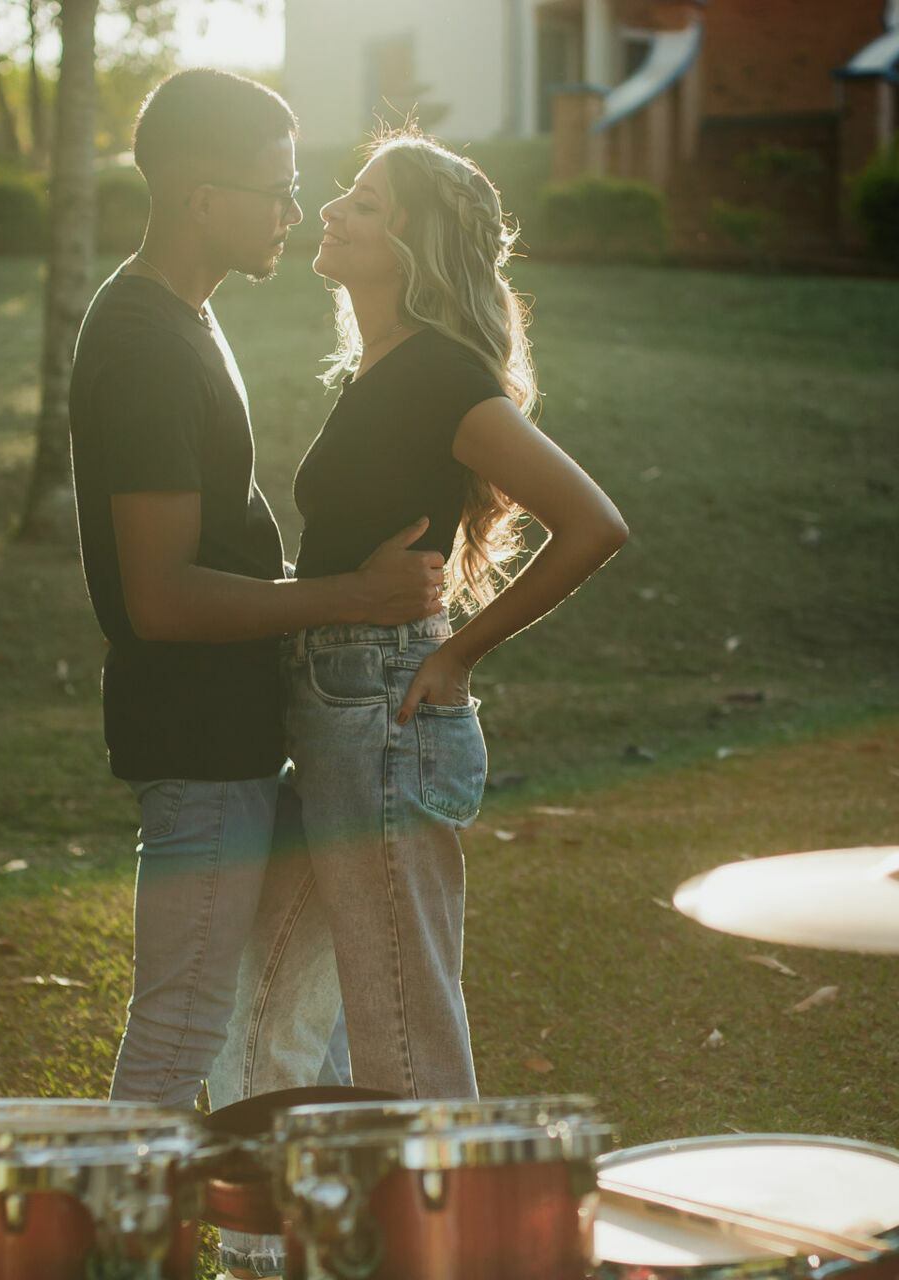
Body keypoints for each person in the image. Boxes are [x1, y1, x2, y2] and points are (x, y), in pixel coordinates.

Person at [210, 128, 628, 1219]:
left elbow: (594, 522)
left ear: (413, 243)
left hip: (385, 713)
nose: (334, 212)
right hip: (334, 705)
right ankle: (275, 1237)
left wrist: (455, 655)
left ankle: (461, 1242)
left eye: (364, 201)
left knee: (401, 1027)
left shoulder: (442, 372)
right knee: (271, 992)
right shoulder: (380, 368)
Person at [67, 70, 446, 1114]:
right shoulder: (145, 344)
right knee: (182, 1024)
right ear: (202, 197)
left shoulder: (182, 316)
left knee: (281, 1020)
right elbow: (163, 597)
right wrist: (348, 595)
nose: (294, 211)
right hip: (195, 748)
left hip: (235, 739)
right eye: (275, 189)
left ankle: (274, 1248)